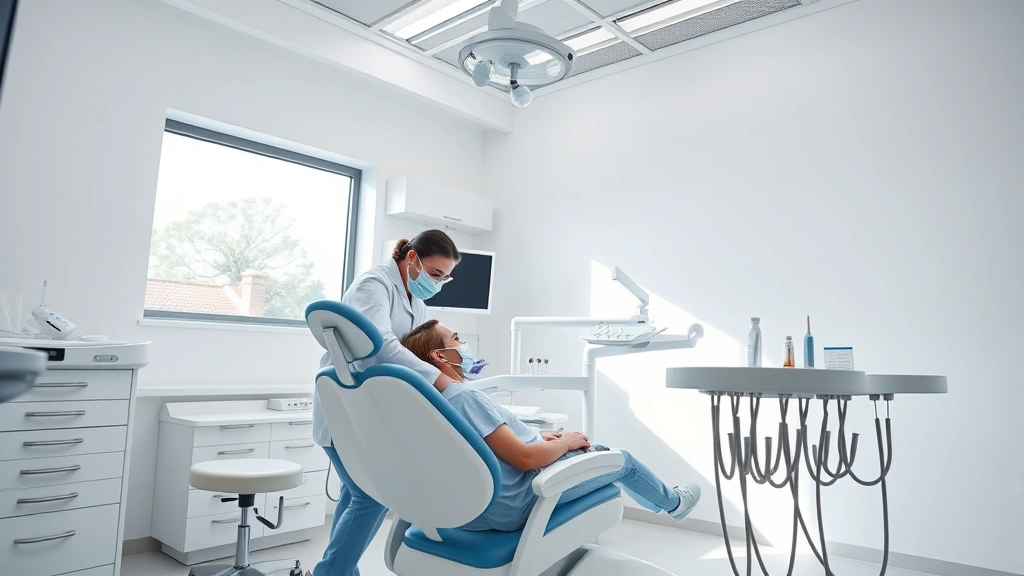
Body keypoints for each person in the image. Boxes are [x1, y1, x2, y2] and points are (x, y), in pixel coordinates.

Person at [400, 319, 702, 532]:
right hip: (515, 504)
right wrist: (565, 443)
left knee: (590, 451)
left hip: (469, 513)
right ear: (439, 355)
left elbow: (480, 448)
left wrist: (535, 436)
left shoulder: (434, 403)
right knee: (620, 460)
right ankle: (675, 504)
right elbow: (525, 459)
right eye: (456, 339)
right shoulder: (464, 396)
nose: (464, 345)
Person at [310, 230, 461, 576]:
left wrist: (448, 366)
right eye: (435, 274)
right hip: (344, 407)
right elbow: (381, 346)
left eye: (444, 278)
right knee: (374, 495)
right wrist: (441, 380)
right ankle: (329, 573)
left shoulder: (415, 299)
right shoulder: (373, 285)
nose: (437, 283)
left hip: (369, 411)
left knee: (355, 495)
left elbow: (410, 353)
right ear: (412, 259)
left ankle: (339, 571)